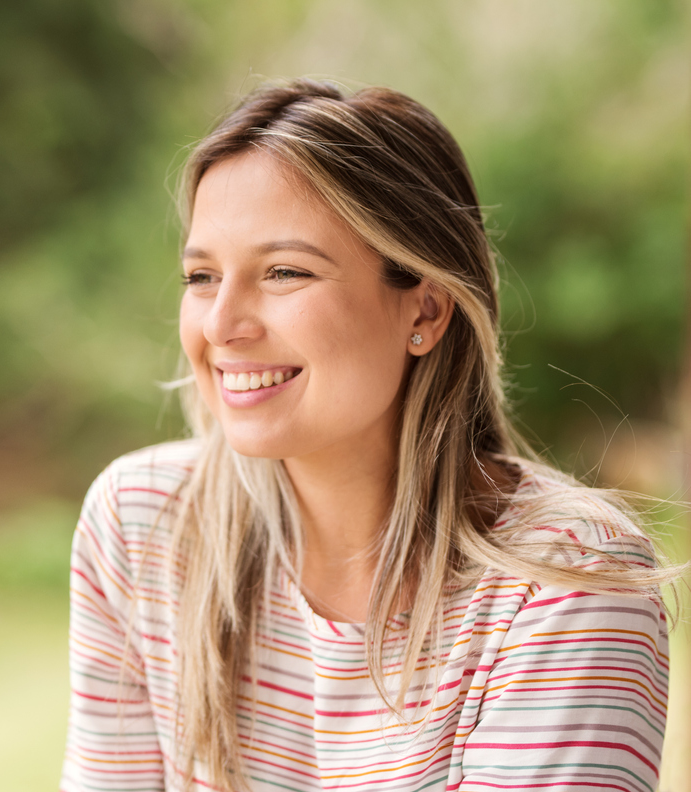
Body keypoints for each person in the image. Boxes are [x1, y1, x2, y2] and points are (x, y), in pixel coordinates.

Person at [60, 79, 679, 792]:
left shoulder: (564, 585)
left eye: (284, 271)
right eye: (201, 276)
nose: (221, 324)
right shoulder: (142, 524)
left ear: (426, 306)